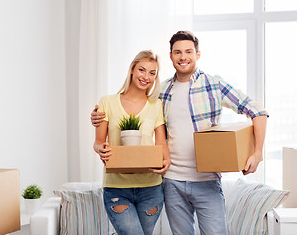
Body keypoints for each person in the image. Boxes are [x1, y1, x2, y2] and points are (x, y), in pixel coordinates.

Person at [92, 31, 268, 235]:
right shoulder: (161, 92)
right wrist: (97, 117)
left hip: (207, 181)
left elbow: (257, 112)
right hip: (172, 182)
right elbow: (134, 110)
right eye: (177, 52)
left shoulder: (214, 84)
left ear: (197, 55)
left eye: (188, 51)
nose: (183, 57)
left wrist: (257, 154)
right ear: (171, 56)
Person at [93, 50, 170, 235]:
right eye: (142, 70)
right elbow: (97, 142)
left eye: (152, 73)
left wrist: (166, 162)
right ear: (132, 70)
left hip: (151, 187)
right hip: (117, 188)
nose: (146, 77)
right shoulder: (107, 102)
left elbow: (161, 143)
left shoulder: (156, 105)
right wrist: (100, 149)